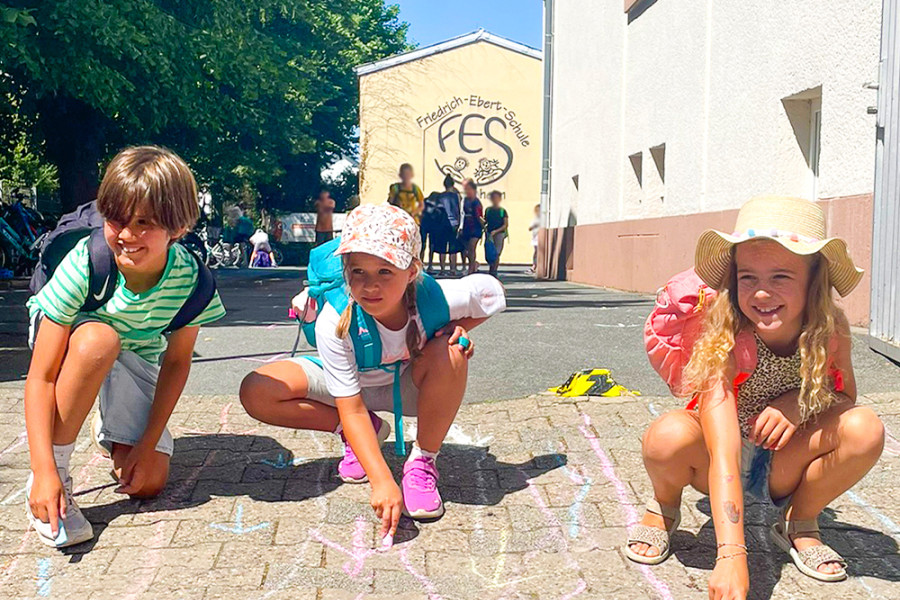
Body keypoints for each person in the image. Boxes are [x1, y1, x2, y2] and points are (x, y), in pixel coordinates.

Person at [625, 196, 884, 598]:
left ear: (814, 280)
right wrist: (731, 556)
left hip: (783, 459)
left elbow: (845, 396)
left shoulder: (830, 330)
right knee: (666, 435)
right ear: (733, 279)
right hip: (714, 457)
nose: (762, 293)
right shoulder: (721, 335)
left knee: (865, 428)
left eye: (781, 276)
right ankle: (663, 508)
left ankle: (800, 521)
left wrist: (797, 403)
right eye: (748, 277)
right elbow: (725, 450)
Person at [239, 204, 505, 541]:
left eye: (385, 272)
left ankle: (422, 462)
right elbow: (349, 406)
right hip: (353, 393)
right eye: (358, 272)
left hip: (407, 386)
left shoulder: (433, 297)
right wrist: (381, 480)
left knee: (453, 352)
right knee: (257, 390)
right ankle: (366, 432)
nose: (370, 286)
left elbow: (492, 292)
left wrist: (456, 326)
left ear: (411, 271)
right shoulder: (334, 320)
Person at [23, 146, 226, 547]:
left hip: (134, 352)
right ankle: (59, 472)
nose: (127, 235)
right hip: (74, 345)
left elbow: (176, 364)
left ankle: (109, 421)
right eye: (116, 221)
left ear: (178, 227)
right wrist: (45, 469)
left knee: (146, 483)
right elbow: (41, 377)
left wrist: (147, 443)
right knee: (101, 339)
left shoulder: (192, 281)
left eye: (144, 223)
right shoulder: (88, 262)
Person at [433, 175, 463, 276]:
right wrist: (459, 224)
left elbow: (437, 211)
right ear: (453, 184)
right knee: (453, 248)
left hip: (442, 224)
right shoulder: (456, 196)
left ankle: (442, 269)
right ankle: (453, 269)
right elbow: (459, 210)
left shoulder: (440, 196)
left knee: (442, 247)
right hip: (454, 224)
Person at [459, 179, 484, 275]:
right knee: (466, 250)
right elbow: (462, 213)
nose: (467, 191)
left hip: (476, 228)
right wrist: (461, 227)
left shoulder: (477, 202)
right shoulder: (464, 200)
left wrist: (483, 225)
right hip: (466, 227)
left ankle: (471, 269)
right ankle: (473, 264)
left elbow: (479, 216)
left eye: (469, 189)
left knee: (472, 247)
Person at [484, 191, 509, 277]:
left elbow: (505, 225)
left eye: (496, 198)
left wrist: (497, 231)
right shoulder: (488, 210)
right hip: (489, 233)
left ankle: (494, 270)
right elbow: (485, 222)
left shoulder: (502, 211)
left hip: (499, 234)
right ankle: (491, 268)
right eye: (493, 198)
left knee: (497, 253)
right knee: (489, 252)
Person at [528, 204, 540, 275]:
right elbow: (529, 228)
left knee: (539, 252)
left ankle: (537, 266)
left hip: (541, 237)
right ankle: (534, 265)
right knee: (536, 251)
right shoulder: (535, 219)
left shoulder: (545, 218)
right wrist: (534, 226)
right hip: (535, 237)